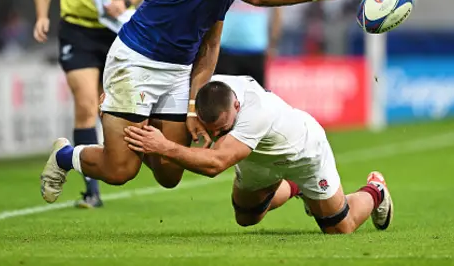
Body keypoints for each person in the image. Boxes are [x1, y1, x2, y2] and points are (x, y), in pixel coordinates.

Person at [40, 0, 353, 204]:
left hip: (177, 70)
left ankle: (132, 120)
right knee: (121, 170)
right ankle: (65, 156)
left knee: (169, 173)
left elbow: (210, 44)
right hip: (137, 62)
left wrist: (192, 107)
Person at [33, 0, 160, 208]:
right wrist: (42, 14)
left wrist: (127, 1)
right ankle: (92, 191)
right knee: (87, 104)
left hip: (121, 30)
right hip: (77, 28)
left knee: (125, 107)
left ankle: (100, 160)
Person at [123, 75, 393, 234]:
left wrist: (164, 147)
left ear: (237, 106)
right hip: (256, 157)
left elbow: (216, 164)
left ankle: (374, 191)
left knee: (339, 228)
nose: (217, 135)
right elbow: (164, 85)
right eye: (212, 130)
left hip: (302, 153)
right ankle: (296, 189)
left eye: (223, 129)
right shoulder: (208, 92)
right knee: (246, 218)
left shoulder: (256, 111)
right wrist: (118, 96)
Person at [215, 0, 282, 87]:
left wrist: (273, 41)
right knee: (225, 99)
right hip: (226, 49)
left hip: (255, 49)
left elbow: (277, 11)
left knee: (256, 100)